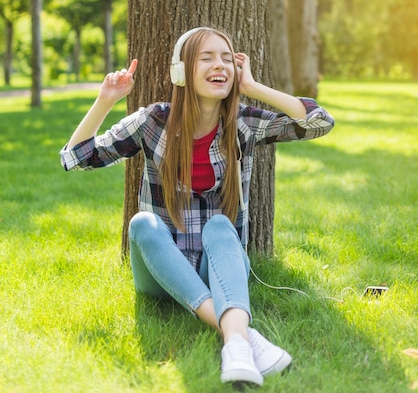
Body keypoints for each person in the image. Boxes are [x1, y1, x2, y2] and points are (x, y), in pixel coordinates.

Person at [61, 26, 334, 387]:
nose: (218, 65)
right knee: (143, 224)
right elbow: (76, 158)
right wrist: (105, 100)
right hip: (162, 275)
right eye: (206, 58)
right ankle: (239, 334)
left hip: (217, 267)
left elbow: (319, 122)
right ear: (181, 72)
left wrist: (251, 87)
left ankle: (236, 344)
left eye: (226, 58)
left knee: (222, 227)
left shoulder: (244, 123)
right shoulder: (153, 121)